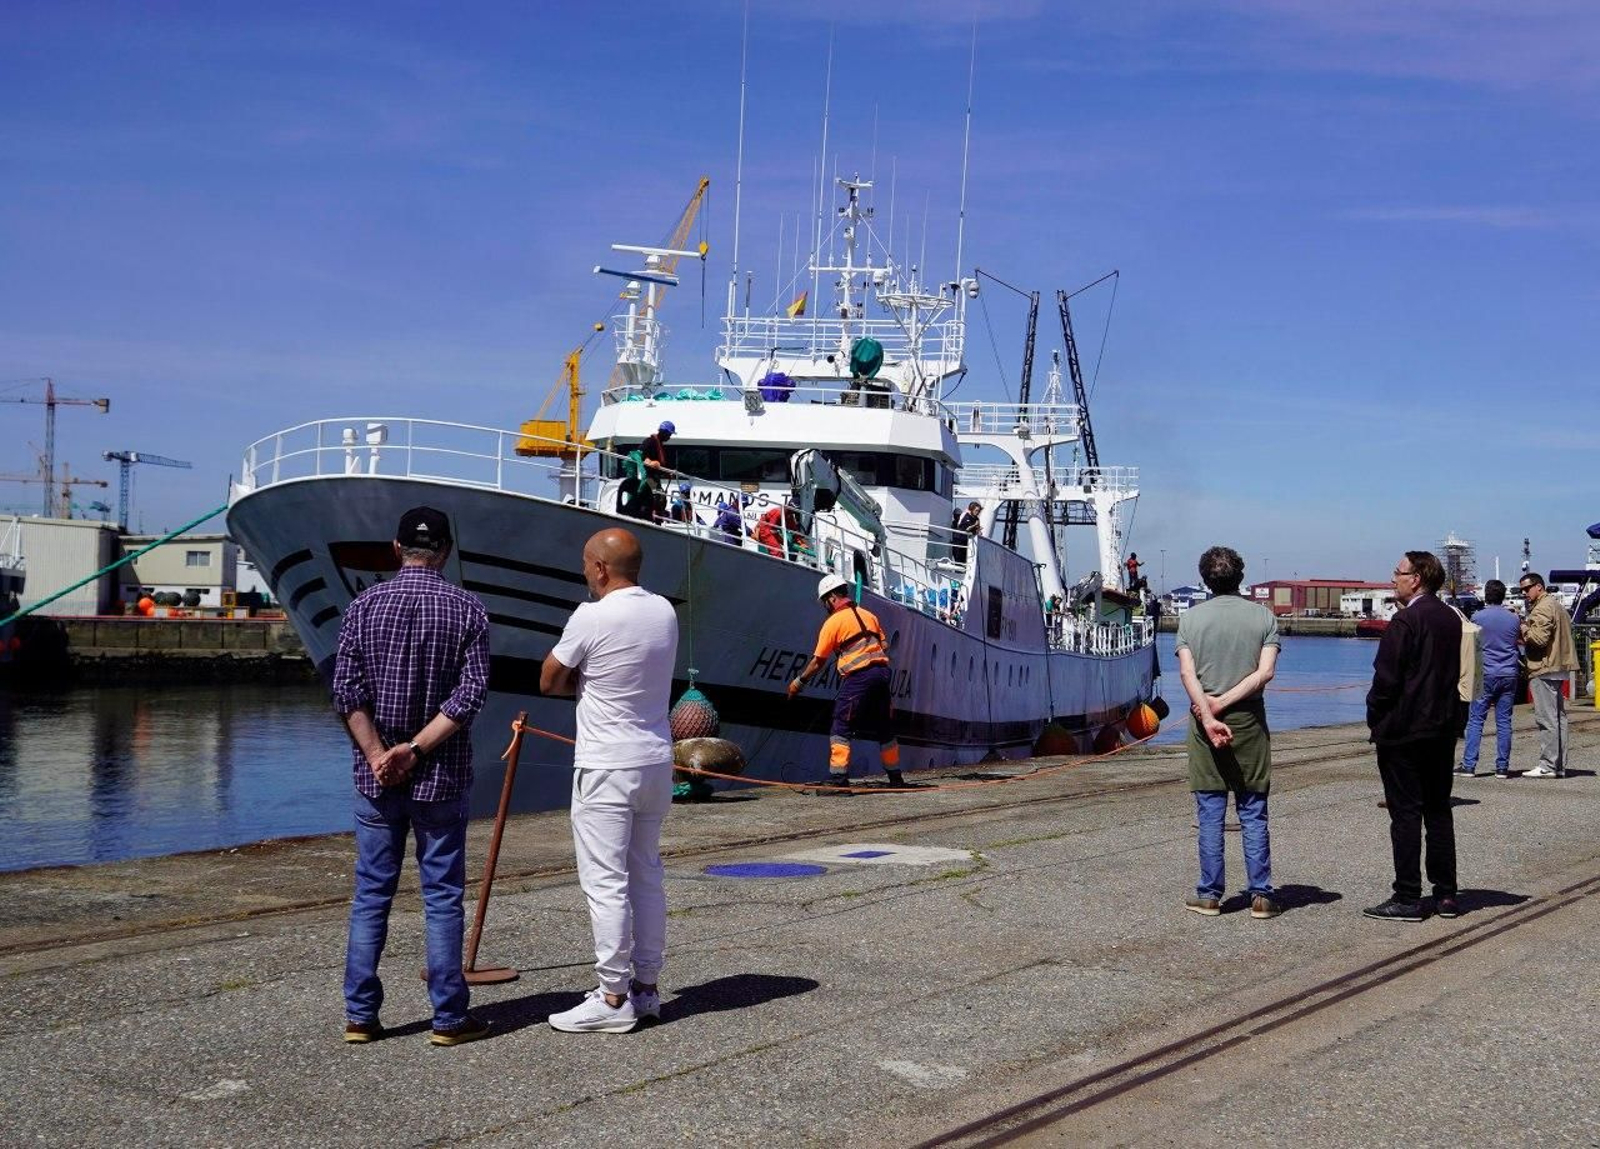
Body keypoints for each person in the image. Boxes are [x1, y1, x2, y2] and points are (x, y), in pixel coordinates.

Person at [331, 506, 491, 1047]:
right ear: (445, 551)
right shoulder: (469, 610)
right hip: (441, 774)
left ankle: (360, 1016)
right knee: (442, 895)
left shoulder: (361, 607)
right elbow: (469, 697)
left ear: (396, 549)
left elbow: (346, 693)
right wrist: (415, 752)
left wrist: (380, 754)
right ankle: (448, 1019)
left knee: (371, 894)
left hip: (375, 780)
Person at [541, 528, 678, 1033]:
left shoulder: (591, 616)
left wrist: (588, 678)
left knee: (605, 882)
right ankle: (645, 988)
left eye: (585, 563)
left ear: (600, 568)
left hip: (605, 765)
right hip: (655, 762)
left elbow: (549, 678)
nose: (584, 572)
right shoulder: (664, 611)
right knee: (646, 874)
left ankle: (612, 998)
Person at [1173, 546, 1282, 920]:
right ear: (1241, 576)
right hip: (1249, 722)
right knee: (1253, 810)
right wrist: (1225, 704)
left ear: (1205, 579)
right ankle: (1261, 894)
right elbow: (1264, 673)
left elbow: (1188, 675)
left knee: (1210, 811)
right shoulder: (1263, 618)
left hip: (1205, 727)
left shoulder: (1190, 620)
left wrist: (1208, 712)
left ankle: (1210, 893)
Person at [1364, 551, 1465, 922]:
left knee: (1405, 813)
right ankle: (1446, 894)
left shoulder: (1406, 621)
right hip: (1440, 726)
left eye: (1398, 572)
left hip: (1404, 730)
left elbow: (1387, 679)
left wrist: (1375, 712)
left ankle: (1407, 896)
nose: (1393, 578)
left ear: (1417, 578)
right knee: (1438, 810)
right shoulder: (1449, 618)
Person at [787, 573, 906, 793]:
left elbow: (817, 662)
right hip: (881, 674)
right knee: (884, 727)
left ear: (832, 598)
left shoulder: (833, 623)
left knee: (841, 725)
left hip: (859, 677)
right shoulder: (869, 615)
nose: (825, 606)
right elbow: (885, 645)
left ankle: (839, 779)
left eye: (825, 602)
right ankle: (896, 778)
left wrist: (799, 682)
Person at [1518, 571, 1579, 778]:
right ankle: (1558, 765)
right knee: (1558, 718)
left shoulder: (1542, 607)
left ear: (1539, 587)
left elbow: (1539, 639)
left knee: (1547, 718)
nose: (1525, 593)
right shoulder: (1556, 605)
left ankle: (1548, 765)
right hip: (1558, 665)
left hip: (1544, 667)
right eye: (1522, 590)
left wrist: (1524, 627)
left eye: (1527, 588)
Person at [1458, 579, 1519, 778]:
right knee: (1504, 721)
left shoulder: (1478, 617)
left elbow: (1469, 638)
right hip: (1509, 672)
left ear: (1486, 595)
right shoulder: (1514, 618)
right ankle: (1502, 766)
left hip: (1485, 672)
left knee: (1476, 720)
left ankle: (1469, 764)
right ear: (1502, 596)